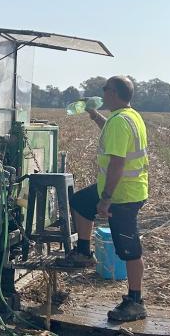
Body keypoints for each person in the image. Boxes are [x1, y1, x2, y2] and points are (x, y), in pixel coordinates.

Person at [69, 75, 149, 322]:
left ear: (114, 93)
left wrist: (105, 200)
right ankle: (83, 251)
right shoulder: (128, 116)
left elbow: (117, 163)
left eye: (105, 89)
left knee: (129, 249)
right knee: (81, 203)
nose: (102, 93)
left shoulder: (120, 122)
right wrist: (93, 114)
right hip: (121, 189)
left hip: (122, 195)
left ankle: (136, 302)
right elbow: (111, 131)